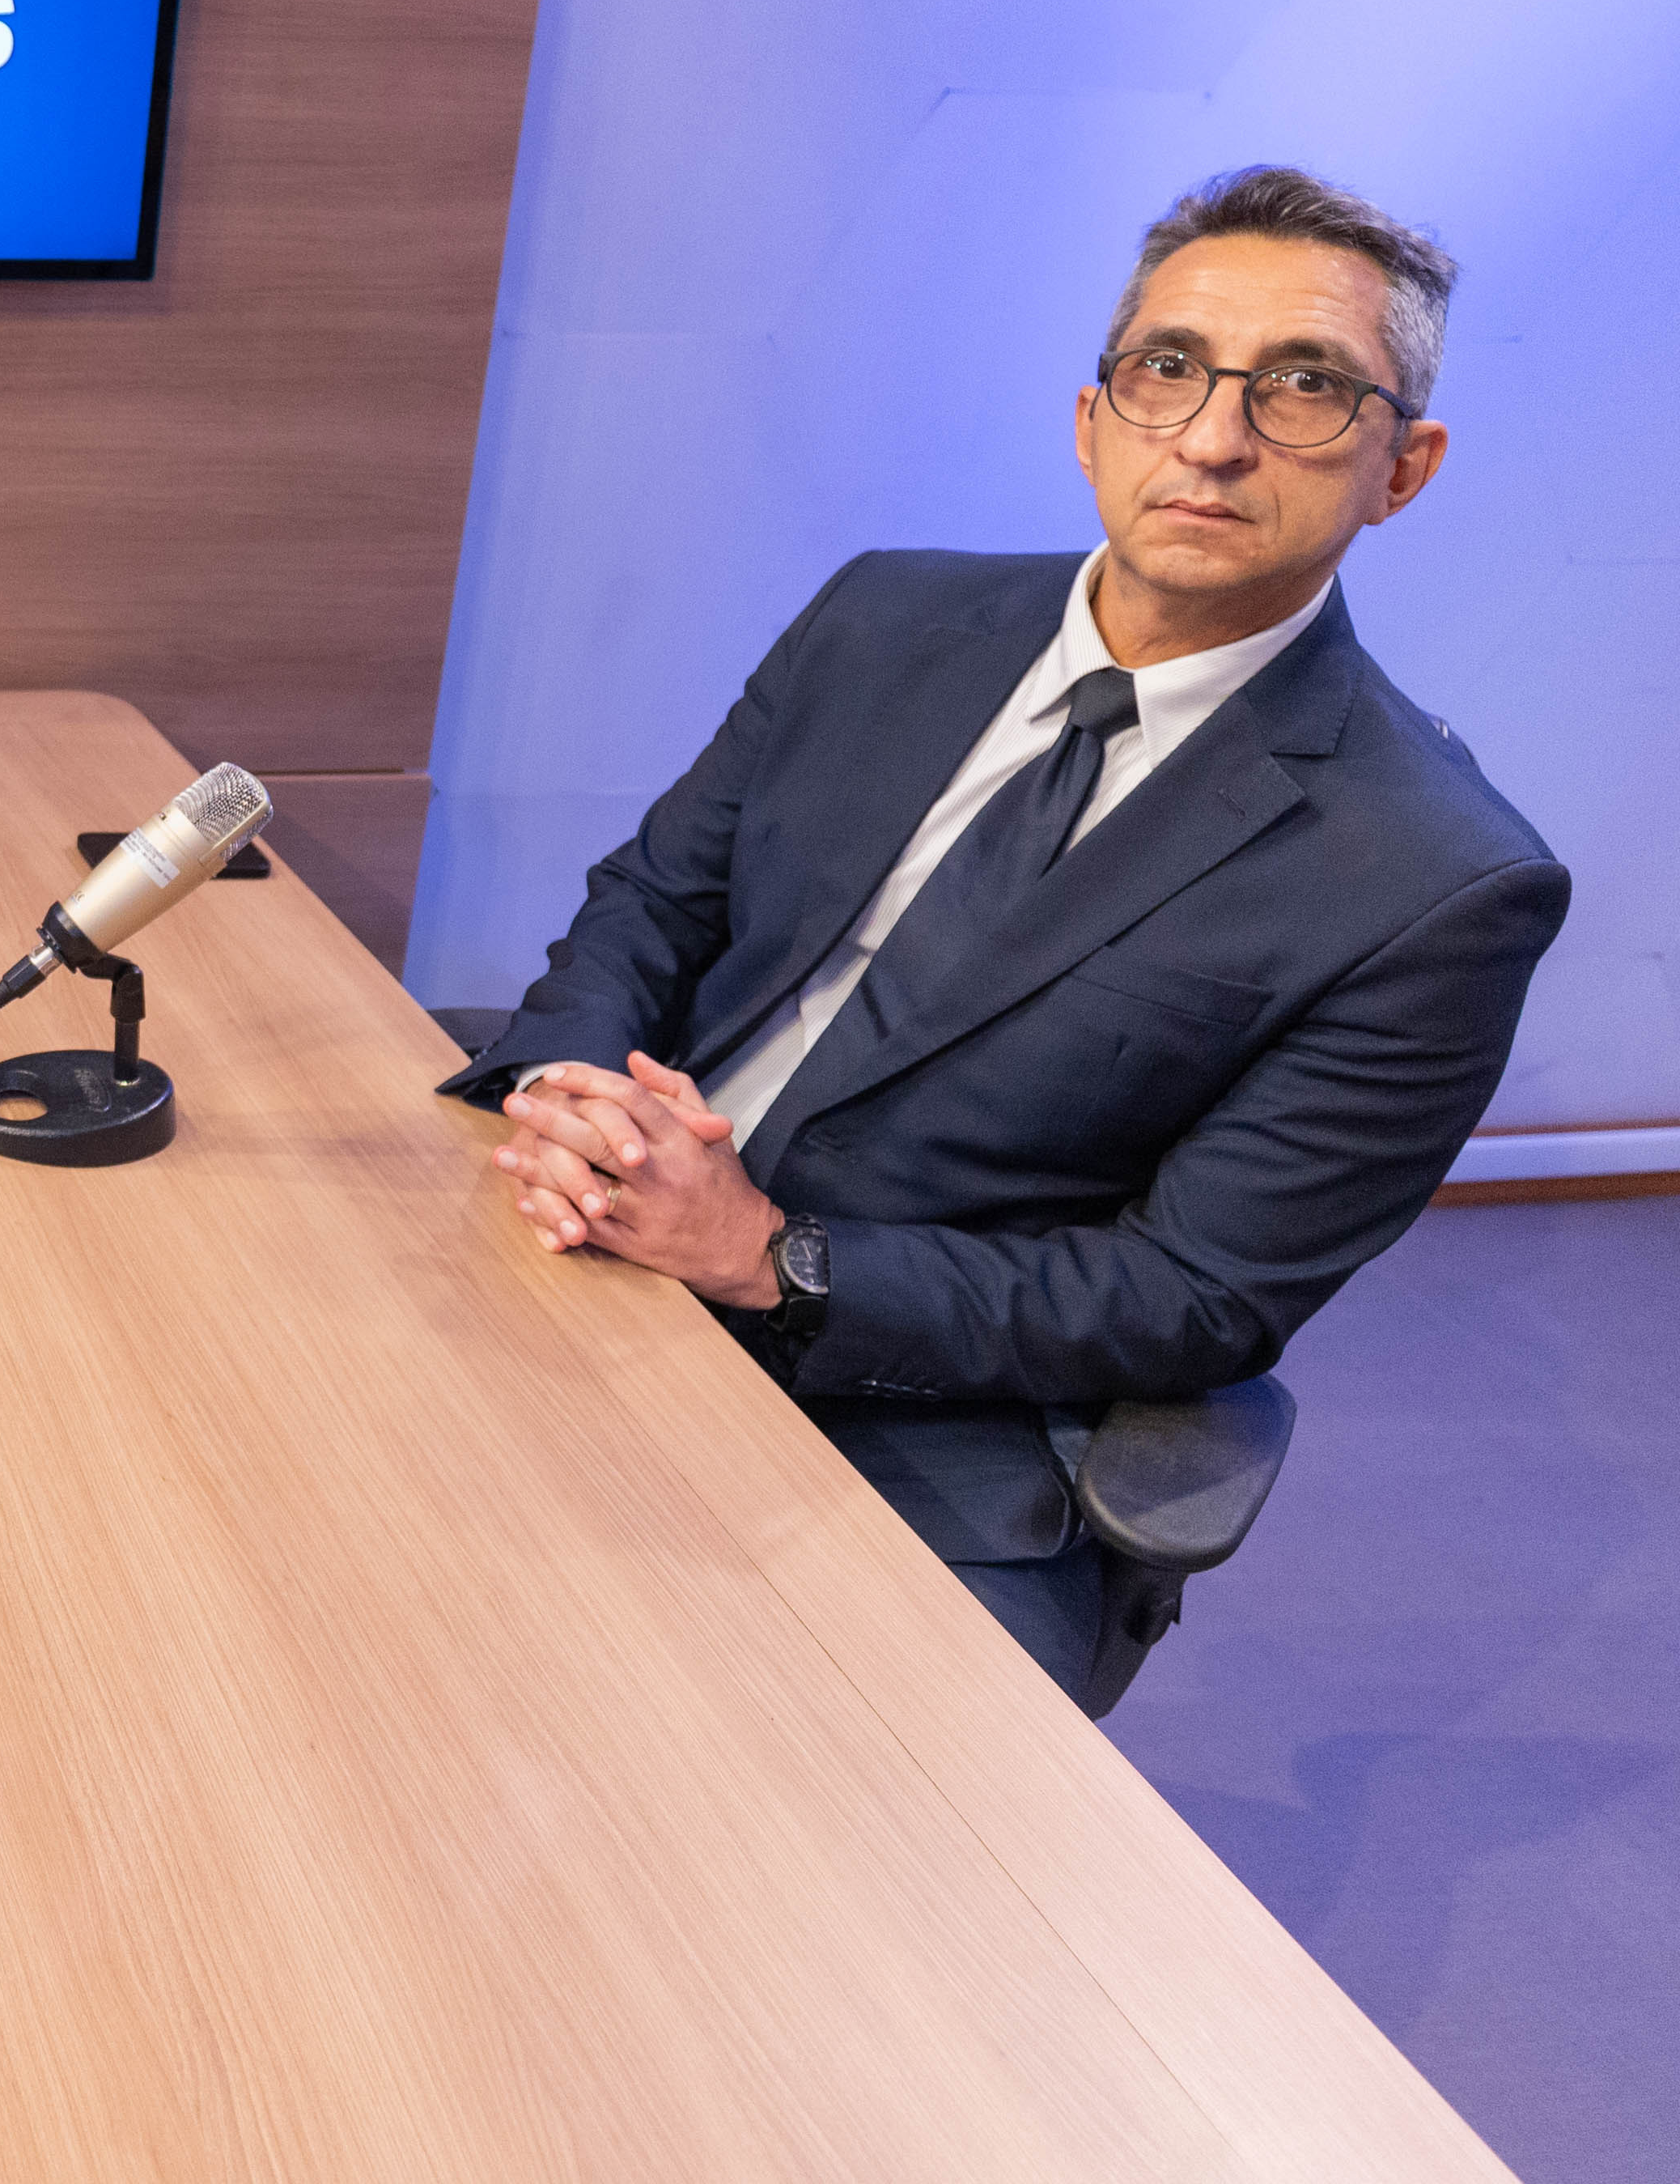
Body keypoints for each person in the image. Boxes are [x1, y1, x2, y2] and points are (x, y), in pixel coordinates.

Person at [449, 166, 1569, 1704]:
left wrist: (768, 1255)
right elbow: (658, 898)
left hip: (911, 1413)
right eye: (1170, 368)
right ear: (1094, 418)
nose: (1215, 436)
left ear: (1404, 468)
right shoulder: (882, 618)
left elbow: (1195, 1293)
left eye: (1306, 387)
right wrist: (567, 1093)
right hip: (583, 1234)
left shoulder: (1440, 879)